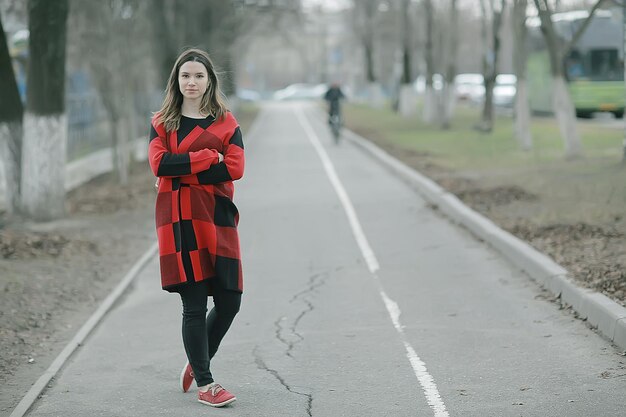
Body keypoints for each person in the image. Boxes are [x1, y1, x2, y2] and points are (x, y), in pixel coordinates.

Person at [148, 48, 245, 408]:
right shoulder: (162, 122)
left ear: (209, 81)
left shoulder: (226, 122)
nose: (192, 82)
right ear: (176, 80)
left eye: (199, 76)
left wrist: (182, 169)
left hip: (218, 216)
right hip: (178, 219)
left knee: (230, 300)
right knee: (192, 303)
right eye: (185, 75)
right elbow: (160, 164)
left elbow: (234, 168)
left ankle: (196, 359)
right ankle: (206, 383)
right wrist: (206, 158)